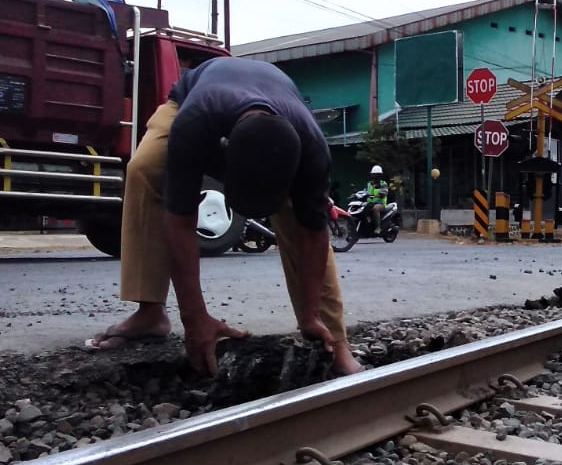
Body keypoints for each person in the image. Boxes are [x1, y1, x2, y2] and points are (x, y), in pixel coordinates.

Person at [87, 57, 363, 376]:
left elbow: (314, 235)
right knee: (145, 169)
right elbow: (180, 221)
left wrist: (311, 314)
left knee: (297, 214)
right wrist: (195, 319)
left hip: (278, 109)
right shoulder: (193, 125)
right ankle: (150, 313)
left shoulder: (313, 149)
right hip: (195, 97)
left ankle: (334, 340)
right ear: (222, 149)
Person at [365, 165, 390, 235]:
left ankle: (378, 227)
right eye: (373, 174)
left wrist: (377, 195)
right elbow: (365, 191)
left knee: (375, 208)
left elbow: (384, 193)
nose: (374, 176)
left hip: (380, 204)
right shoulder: (369, 183)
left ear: (380, 175)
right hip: (369, 203)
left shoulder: (383, 184)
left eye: (376, 174)